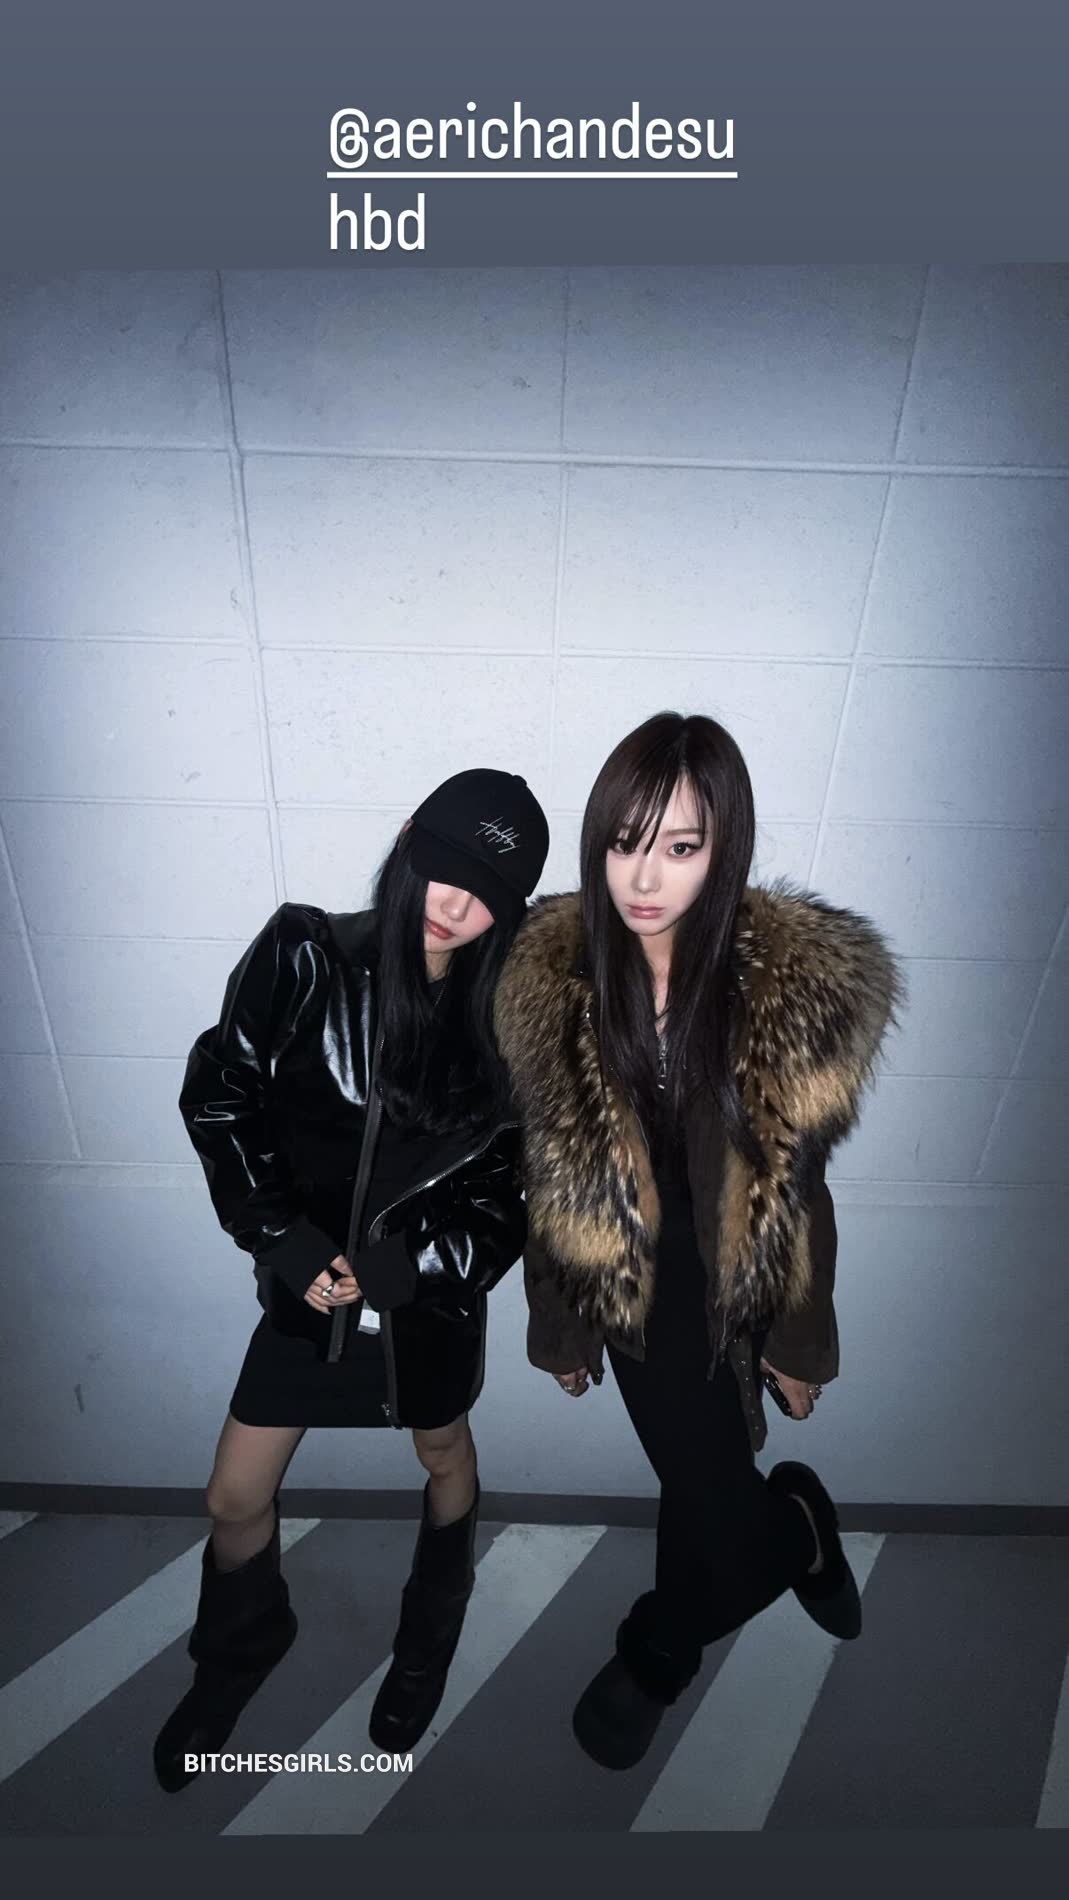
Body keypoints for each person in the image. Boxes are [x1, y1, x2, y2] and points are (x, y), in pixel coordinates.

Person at [493, 712, 902, 1770]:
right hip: (633, 1287)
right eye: (624, 841)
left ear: (725, 849)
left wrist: (799, 1345)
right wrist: (560, 1329)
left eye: (680, 846)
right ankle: (795, 1528)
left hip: (739, 1284)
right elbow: (552, 1181)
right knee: (703, 1484)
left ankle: (662, 1646)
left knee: (704, 1494)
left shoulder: (783, 993)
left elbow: (800, 1192)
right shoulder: (557, 983)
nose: (644, 876)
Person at [153, 769, 549, 1792]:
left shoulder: (512, 1020)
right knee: (234, 1494)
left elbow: (507, 1201)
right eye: (446, 868)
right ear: (409, 838)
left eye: (488, 895)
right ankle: (241, 1648)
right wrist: (280, 1238)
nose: (455, 905)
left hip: (423, 1310)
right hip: (307, 1297)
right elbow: (222, 1094)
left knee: (443, 1455)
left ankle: (429, 1631)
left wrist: (403, 1267)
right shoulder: (304, 954)